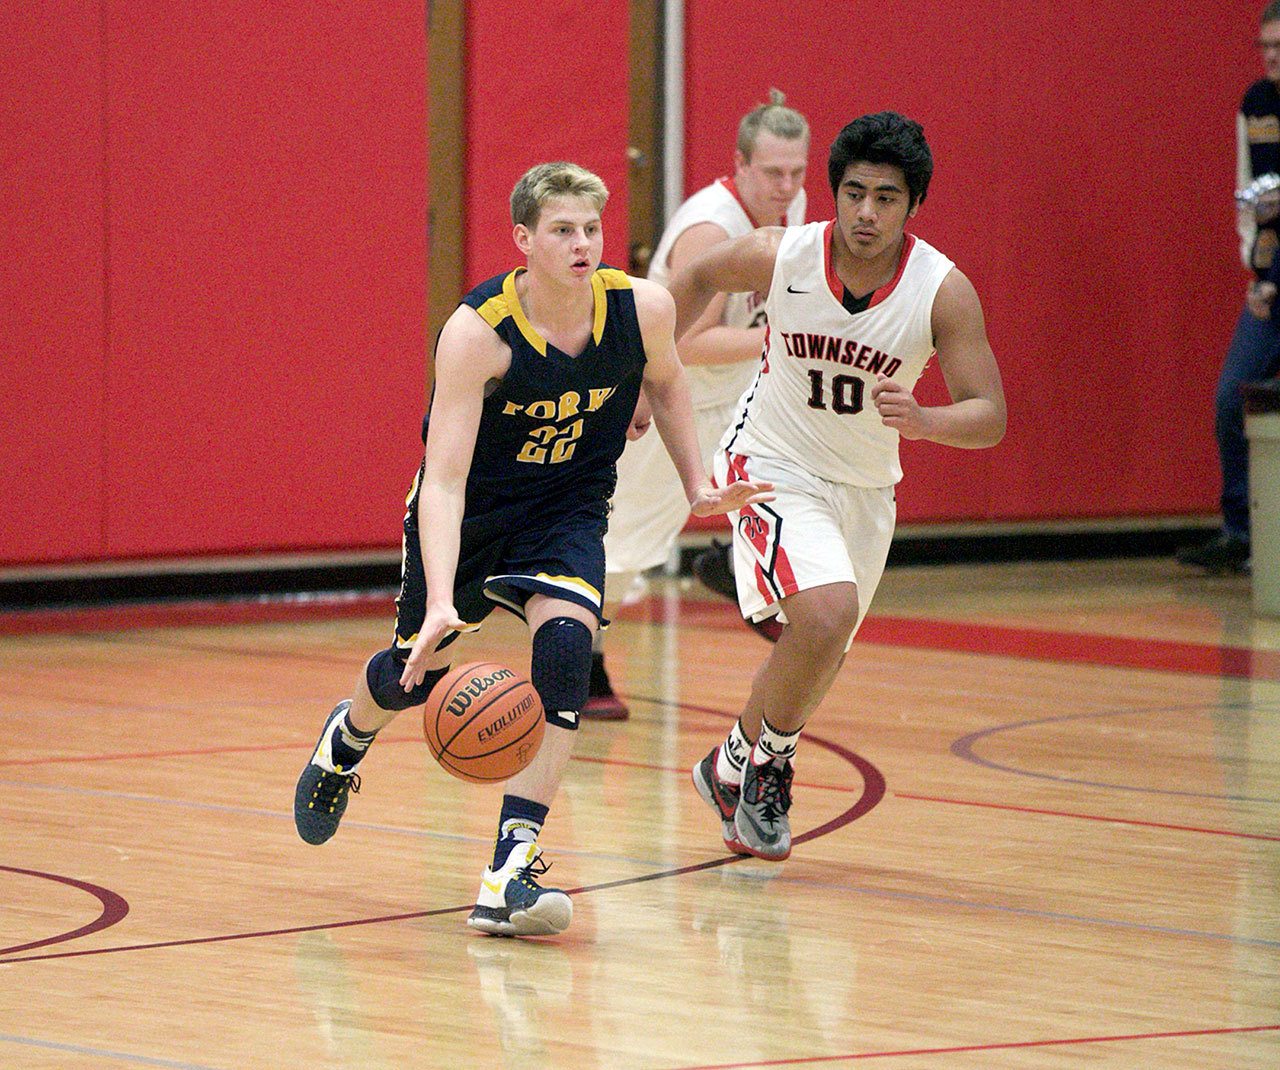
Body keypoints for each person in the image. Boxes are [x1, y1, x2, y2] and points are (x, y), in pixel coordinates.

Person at [292, 162, 771, 937]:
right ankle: (346, 738)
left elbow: (672, 383)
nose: (582, 244)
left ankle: (510, 866)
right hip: (473, 515)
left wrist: (698, 485)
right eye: (562, 231)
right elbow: (442, 483)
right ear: (524, 240)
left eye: (591, 229)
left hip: (567, 511)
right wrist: (445, 599)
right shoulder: (479, 333)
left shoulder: (642, 308)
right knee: (415, 676)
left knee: (565, 654)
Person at [674, 112, 1007, 860]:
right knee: (825, 617)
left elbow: (990, 416)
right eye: (853, 192)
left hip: (864, 489)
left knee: (818, 648)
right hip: (769, 462)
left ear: (913, 205)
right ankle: (769, 770)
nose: (865, 212)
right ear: (833, 194)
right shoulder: (783, 253)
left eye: (885, 198)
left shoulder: (942, 290)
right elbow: (692, 279)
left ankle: (727, 765)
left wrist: (925, 420)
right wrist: (646, 376)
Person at [584, 92, 810, 720]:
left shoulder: (792, 212)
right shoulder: (712, 228)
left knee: (798, 485)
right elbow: (690, 341)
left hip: (742, 400)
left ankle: (740, 568)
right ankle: (580, 656)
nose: (787, 186)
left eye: (797, 172)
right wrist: (786, 336)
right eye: (772, 173)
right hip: (668, 400)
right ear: (739, 165)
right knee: (627, 543)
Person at [1177, 0, 1280, 575]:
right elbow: (1247, 191)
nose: (1270, 57)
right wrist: (1256, 269)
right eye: (1264, 46)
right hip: (1270, 284)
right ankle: (1241, 530)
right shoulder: (1256, 104)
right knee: (1231, 397)